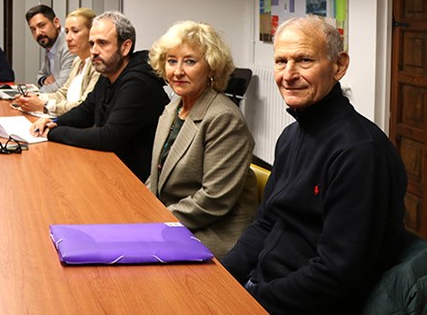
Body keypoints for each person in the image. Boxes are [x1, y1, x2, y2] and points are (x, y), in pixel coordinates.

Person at [222, 16, 407, 313]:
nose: (288, 75)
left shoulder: (360, 152)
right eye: (281, 61)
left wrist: (251, 300)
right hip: (264, 285)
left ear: (339, 66)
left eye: (304, 60)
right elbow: (266, 222)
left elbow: (335, 274)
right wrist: (223, 277)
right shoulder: (291, 136)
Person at [145, 21, 257, 259]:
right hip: (174, 222)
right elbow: (157, 176)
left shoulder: (223, 117)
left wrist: (155, 222)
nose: (178, 71)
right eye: (171, 61)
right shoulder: (173, 108)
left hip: (212, 232)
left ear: (212, 68)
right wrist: (139, 209)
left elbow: (214, 200)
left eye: (190, 61)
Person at [33, 11, 169, 182]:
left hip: (137, 181)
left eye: (102, 43)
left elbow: (108, 138)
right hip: (112, 168)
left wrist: (54, 133)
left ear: (125, 47)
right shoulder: (109, 73)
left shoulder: (138, 83)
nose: (94, 51)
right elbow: (86, 111)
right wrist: (55, 122)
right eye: (92, 44)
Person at [15, 7, 100, 116]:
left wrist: (44, 106)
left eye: (75, 31)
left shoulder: (98, 66)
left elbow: (83, 106)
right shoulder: (78, 61)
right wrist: (33, 98)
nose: (68, 38)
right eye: (67, 32)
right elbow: (63, 93)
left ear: (92, 33)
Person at [25, 4, 75, 93]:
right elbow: (40, 75)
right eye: (33, 29)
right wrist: (43, 80)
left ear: (56, 22)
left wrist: (34, 94)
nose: (38, 33)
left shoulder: (69, 45)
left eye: (42, 25)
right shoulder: (51, 44)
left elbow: (61, 87)